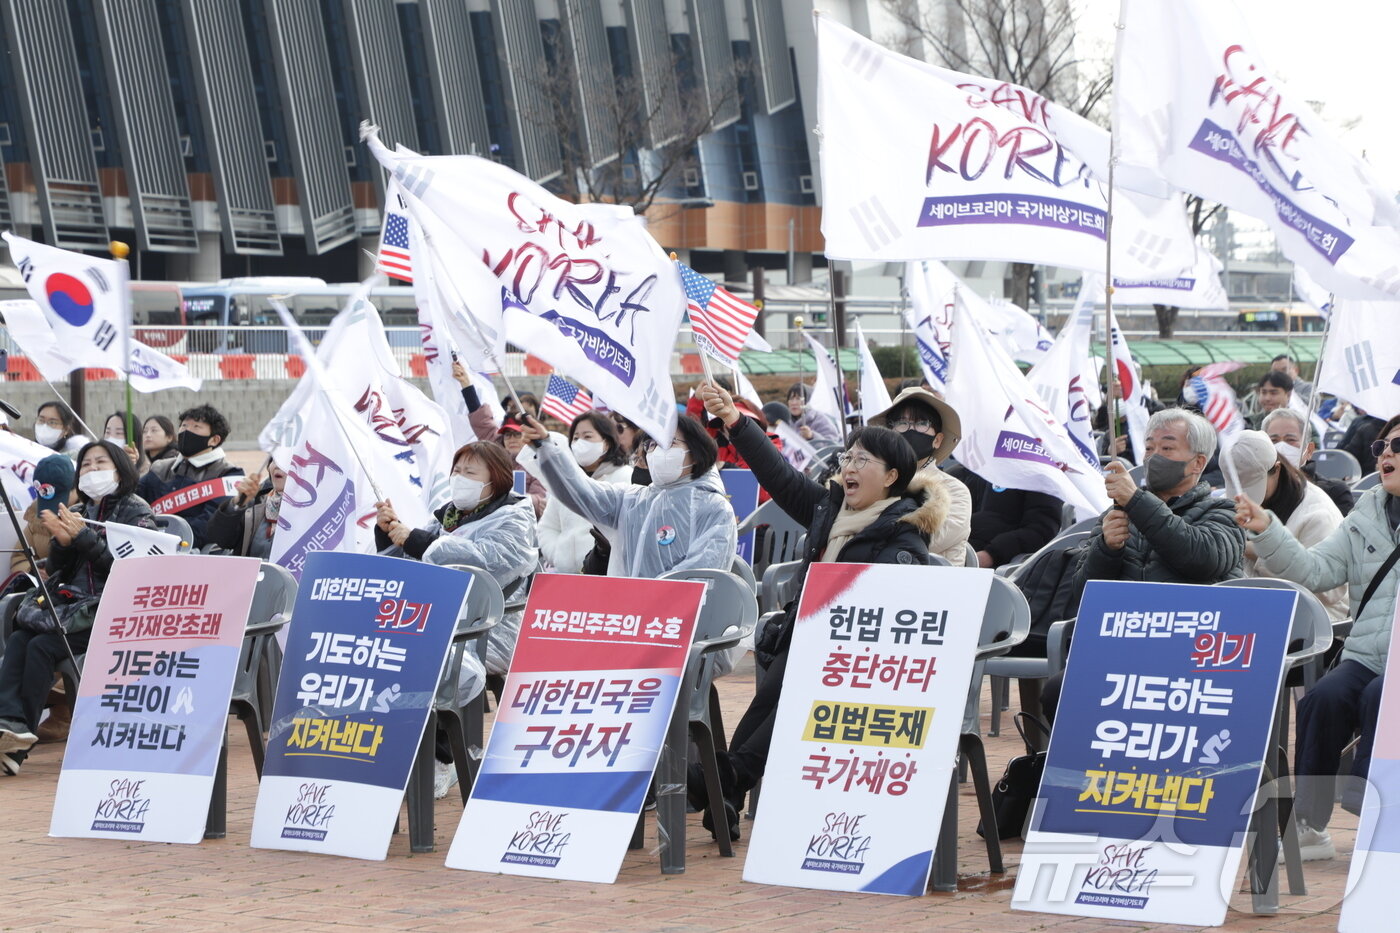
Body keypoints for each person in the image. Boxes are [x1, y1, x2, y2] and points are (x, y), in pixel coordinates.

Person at [695, 380, 945, 839]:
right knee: (777, 685)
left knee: (797, 684)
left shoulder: (904, 534)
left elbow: (891, 608)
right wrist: (735, 421)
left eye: (862, 460)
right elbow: (779, 477)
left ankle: (728, 779)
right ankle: (727, 792)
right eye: (846, 457)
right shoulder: (831, 509)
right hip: (810, 644)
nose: (848, 466)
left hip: (865, 666)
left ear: (891, 476)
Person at [1234, 413, 1400, 861]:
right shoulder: (1365, 513)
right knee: (1322, 698)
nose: (1386, 454)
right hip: (1367, 651)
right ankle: (1310, 826)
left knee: (1380, 697)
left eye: (1398, 447)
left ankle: (1380, 820)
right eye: (1381, 448)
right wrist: (1268, 529)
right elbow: (1314, 570)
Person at [1042, 409, 1246, 722]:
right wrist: (1106, 548)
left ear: (1198, 463)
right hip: (1124, 649)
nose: (1153, 457)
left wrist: (1137, 501)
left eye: (1167, 448)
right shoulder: (1119, 513)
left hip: (1191, 653)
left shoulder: (1223, 512)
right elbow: (1084, 593)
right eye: (1149, 448)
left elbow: (1203, 558)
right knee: (1060, 691)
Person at [374, 441, 540, 797]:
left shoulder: (516, 517)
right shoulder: (448, 516)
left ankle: (442, 758)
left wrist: (420, 542)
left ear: (495, 479)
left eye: (470, 472)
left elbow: (491, 561)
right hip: (441, 622)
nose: (459, 479)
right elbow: (409, 565)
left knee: (424, 661)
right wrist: (389, 531)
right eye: (457, 471)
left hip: (493, 628)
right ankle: (401, 754)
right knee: (385, 654)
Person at [0, 440, 157, 774]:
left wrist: (84, 538)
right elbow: (63, 571)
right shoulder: (81, 512)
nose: (92, 470)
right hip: (74, 610)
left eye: (100, 463)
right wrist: (62, 543)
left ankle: (17, 741)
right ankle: (11, 726)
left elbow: (134, 572)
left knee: (42, 645)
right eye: (85, 465)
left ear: (120, 468)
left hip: (113, 613)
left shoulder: (136, 511)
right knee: (19, 638)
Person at [522, 412, 735, 582]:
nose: (657, 451)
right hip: (628, 618)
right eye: (651, 445)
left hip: (681, 625)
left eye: (669, 443)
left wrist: (651, 598)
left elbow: (701, 574)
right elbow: (580, 491)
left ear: (696, 452)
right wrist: (546, 447)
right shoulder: (631, 500)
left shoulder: (715, 507)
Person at [1222, 430, 1345, 620]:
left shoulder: (1318, 514)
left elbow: (1330, 592)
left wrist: (1260, 552)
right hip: (1247, 610)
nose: (1244, 498)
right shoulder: (1228, 503)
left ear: (1277, 469)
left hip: (1313, 620)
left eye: (1253, 486)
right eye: (1236, 486)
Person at [867, 386, 971, 564]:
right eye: (902, 422)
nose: (910, 430)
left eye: (922, 423)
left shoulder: (955, 491)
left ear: (937, 440)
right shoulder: (871, 482)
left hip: (936, 585)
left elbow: (928, 541)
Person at [136, 405, 244, 550]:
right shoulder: (160, 468)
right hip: (149, 547)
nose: (186, 430)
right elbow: (134, 504)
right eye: (184, 425)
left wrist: (163, 538)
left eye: (196, 427)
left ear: (214, 440)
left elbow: (209, 526)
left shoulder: (228, 474)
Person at [536, 412, 631, 573]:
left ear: (606, 443)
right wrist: (559, 556)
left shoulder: (625, 477)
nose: (580, 443)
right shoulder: (566, 482)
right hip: (566, 577)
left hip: (607, 575)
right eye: (576, 438)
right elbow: (547, 527)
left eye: (588, 436)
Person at [1263, 408, 1352, 516]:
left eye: (1290, 440)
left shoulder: (1335, 492)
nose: (1281, 447)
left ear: (1309, 450)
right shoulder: (1256, 491)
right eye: (1274, 441)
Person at [205, 462, 287, 560]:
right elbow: (221, 539)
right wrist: (237, 503)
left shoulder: (309, 514)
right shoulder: (254, 501)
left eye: (288, 460)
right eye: (275, 460)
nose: (278, 466)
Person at [1338, 407, 1386, 476]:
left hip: (1363, 479)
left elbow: (1347, 457)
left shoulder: (1365, 427)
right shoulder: (1365, 427)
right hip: (1366, 478)